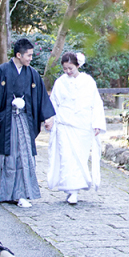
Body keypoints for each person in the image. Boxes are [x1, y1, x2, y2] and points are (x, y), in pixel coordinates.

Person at [0, 38, 55, 208]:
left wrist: (48, 117)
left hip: (23, 120)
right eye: (28, 55)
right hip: (4, 120)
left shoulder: (32, 74)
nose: (31, 58)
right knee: (8, 156)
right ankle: (4, 193)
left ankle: (21, 194)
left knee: (24, 155)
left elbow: (41, 97)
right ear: (18, 55)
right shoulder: (2, 71)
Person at [46, 52, 106, 204]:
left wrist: (97, 123)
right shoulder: (60, 82)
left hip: (82, 125)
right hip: (64, 124)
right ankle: (71, 189)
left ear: (77, 65)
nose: (67, 72)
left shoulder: (88, 81)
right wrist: (50, 119)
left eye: (70, 68)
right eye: (65, 69)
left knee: (79, 156)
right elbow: (53, 102)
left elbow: (96, 103)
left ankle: (76, 189)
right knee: (66, 156)